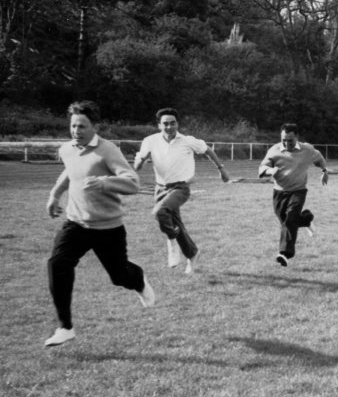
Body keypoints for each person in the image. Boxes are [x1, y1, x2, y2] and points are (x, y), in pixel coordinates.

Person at [44, 101, 155, 347]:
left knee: (120, 276)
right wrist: (54, 194)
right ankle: (65, 327)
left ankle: (138, 279)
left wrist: (105, 182)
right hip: (76, 224)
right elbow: (69, 171)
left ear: (96, 126)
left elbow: (133, 183)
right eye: (73, 125)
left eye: (82, 126)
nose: (76, 131)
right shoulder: (68, 149)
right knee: (58, 264)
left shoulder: (108, 150)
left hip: (108, 228)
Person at [133, 108, 230, 274]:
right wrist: (141, 159)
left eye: (172, 123)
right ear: (159, 125)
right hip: (160, 188)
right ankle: (192, 255)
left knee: (160, 212)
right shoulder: (150, 141)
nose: (169, 127)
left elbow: (208, 150)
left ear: (177, 123)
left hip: (180, 188)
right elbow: (137, 166)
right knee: (177, 224)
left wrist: (221, 169)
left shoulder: (187, 141)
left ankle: (172, 243)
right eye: (165, 123)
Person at [258, 123, 329, 266]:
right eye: (283, 139)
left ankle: (284, 253)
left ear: (297, 137)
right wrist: (270, 171)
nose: (286, 143)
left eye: (290, 140)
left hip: (298, 190)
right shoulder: (274, 150)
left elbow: (319, 158)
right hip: (279, 192)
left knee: (290, 219)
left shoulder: (307, 150)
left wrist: (324, 171)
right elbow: (262, 167)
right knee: (286, 221)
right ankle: (307, 219)